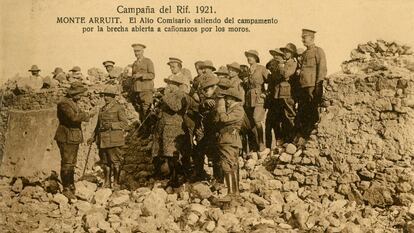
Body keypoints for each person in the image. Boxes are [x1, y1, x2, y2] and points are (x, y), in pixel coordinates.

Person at [54, 82, 95, 199]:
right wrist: (88, 115)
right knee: (67, 163)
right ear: (74, 94)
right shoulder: (64, 104)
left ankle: (71, 186)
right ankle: (66, 188)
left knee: (71, 163)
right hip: (66, 136)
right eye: (80, 94)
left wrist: (82, 114)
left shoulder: (72, 102)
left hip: (73, 137)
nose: (81, 97)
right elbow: (74, 117)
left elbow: (78, 114)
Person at [151, 74, 190, 187]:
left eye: (170, 83)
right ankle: (167, 176)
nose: (168, 85)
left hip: (174, 128)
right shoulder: (170, 95)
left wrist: (164, 96)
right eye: (168, 83)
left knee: (173, 155)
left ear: (176, 85)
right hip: (164, 127)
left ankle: (176, 179)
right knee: (164, 154)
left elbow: (176, 107)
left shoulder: (181, 95)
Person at [88, 85, 128, 189]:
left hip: (114, 139)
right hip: (103, 140)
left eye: (109, 96)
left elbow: (124, 124)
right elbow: (98, 125)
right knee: (105, 162)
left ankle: (116, 183)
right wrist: (93, 137)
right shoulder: (102, 109)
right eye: (105, 95)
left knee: (115, 162)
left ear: (113, 96)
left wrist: (111, 125)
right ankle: (107, 182)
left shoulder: (119, 108)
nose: (106, 97)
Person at [296, 29, 327, 139]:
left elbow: (322, 68)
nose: (302, 39)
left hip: (312, 85)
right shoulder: (304, 53)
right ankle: (306, 134)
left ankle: (313, 134)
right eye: (302, 37)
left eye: (304, 37)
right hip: (303, 85)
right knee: (304, 110)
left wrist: (318, 84)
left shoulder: (318, 51)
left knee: (312, 109)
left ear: (312, 38)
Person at [215, 87, 244, 202]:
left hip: (230, 140)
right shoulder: (232, 109)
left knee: (227, 165)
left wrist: (221, 108)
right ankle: (234, 193)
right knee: (232, 165)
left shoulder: (238, 110)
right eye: (226, 99)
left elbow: (224, 119)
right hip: (227, 140)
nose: (226, 101)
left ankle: (232, 193)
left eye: (228, 98)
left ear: (234, 99)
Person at [192, 73, 221, 182]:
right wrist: (204, 104)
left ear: (213, 87)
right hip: (208, 130)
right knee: (199, 150)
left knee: (215, 154)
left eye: (206, 89)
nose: (204, 92)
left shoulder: (220, 96)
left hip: (216, 131)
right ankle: (200, 174)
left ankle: (218, 178)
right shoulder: (209, 96)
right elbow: (200, 107)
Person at [244, 50, 270, 154]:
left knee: (256, 119)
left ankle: (261, 143)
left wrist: (266, 93)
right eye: (248, 56)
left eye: (251, 56)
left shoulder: (261, 69)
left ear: (256, 58)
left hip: (259, 97)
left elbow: (271, 81)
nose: (249, 58)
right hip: (249, 99)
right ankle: (253, 146)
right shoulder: (247, 71)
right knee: (250, 123)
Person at [275, 43, 298, 143]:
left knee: (290, 114)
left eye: (287, 52)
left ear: (292, 53)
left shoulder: (292, 62)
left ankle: (292, 137)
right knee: (283, 116)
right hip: (282, 92)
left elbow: (286, 74)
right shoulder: (286, 63)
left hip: (288, 92)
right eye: (285, 51)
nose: (285, 53)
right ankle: (286, 138)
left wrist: (280, 65)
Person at [265, 48, 285, 148]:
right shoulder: (272, 75)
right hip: (273, 101)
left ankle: (278, 144)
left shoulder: (282, 69)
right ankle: (269, 147)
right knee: (269, 125)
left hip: (279, 100)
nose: (275, 56)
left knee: (276, 124)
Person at [130, 43, 155, 123]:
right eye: (135, 51)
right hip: (137, 91)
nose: (136, 53)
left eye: (138, 51)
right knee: (139, 112)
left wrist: (141, 75)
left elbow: (152, 75)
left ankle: (147, 132)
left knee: (146, 111)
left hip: (146, 90)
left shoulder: (148, 61)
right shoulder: (134, 64)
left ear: (142, 51)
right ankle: (143, 131)